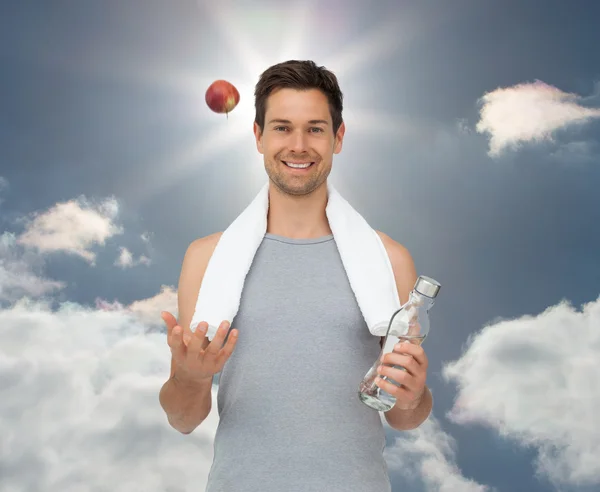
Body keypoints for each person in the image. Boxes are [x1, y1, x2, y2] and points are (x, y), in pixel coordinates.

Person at [159, 60, 433, 492]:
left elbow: (404, 416)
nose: (299, 145)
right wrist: (190, 377)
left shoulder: (389, 259)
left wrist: (414, 394)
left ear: (338, 138)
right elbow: (183, 418)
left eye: (316, 129)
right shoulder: (207, 258)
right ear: (258, 136)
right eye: (283, 128)